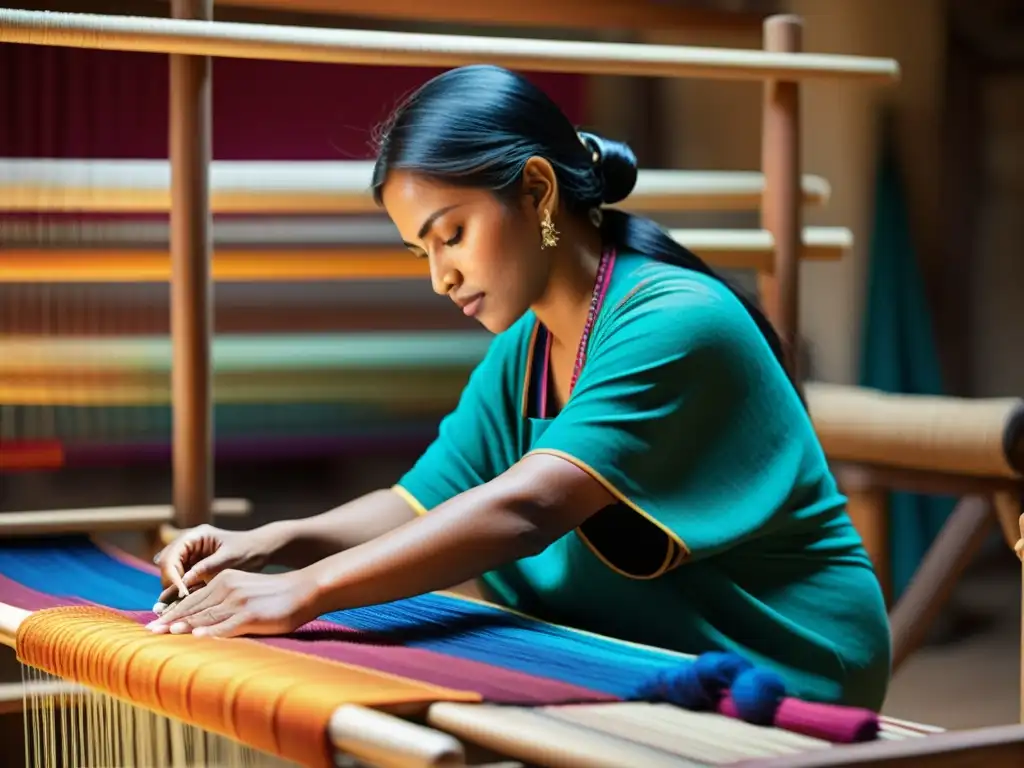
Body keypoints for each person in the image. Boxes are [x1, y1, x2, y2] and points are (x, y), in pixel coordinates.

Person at [147, 64, 891, 711]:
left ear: (535, 190)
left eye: (451, 234)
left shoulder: (674, 321)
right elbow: (416, 502)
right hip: (656, 649)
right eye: (420, 250)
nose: (440, 276)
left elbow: (528, 507)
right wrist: (277, 542)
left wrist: (303, 591)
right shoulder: (526, 352)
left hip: (783, 657)